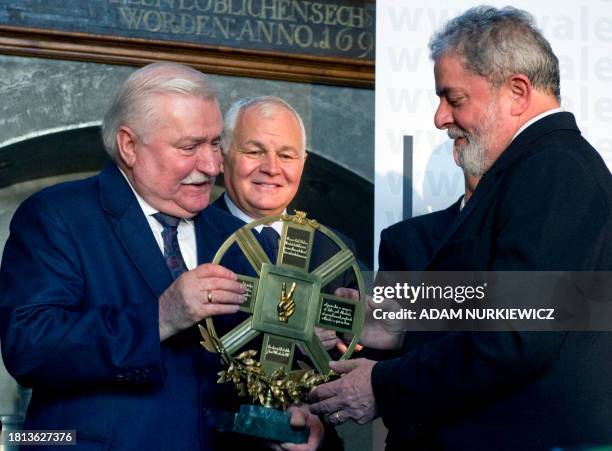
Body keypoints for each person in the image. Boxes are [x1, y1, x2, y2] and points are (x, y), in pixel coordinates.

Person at [310, 6, 612, 450]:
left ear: (516, 91)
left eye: (454, 99)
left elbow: (516, 333)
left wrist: (384, 385)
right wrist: (406, 320)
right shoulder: (533, 169)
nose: (440, 118)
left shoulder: (554, 170)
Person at [0, 62, 322, 451]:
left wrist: (281, 419)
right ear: (129, 146)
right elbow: (30, 347)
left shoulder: (234, 238)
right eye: (189, 147)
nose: (210, 165)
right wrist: (162, 315)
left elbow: (234, 376)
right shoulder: (59, 216)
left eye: (215, 143)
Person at [215, 96, 358, 349]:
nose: (271, 168)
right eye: (254, 152)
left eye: (286, 155)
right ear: (222, 156)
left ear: (303, 164)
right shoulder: (187, 237)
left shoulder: (335, 250)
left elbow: (354, 351)